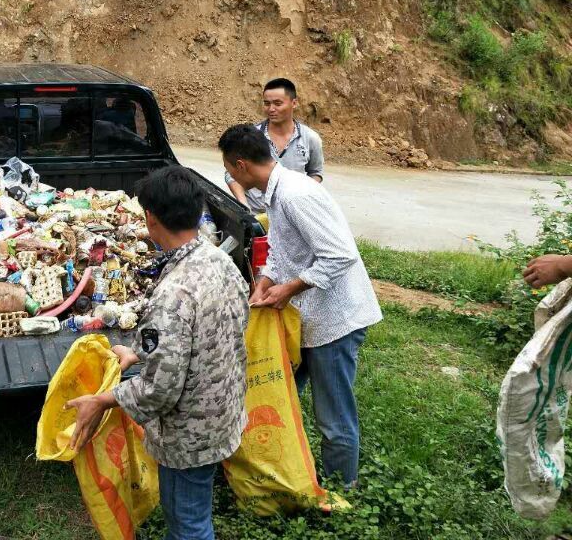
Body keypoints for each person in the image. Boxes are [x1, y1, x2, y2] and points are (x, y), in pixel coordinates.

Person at [65, 166, 249, 540]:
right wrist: (138, 353)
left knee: (188, 525)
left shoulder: (174, 292)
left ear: (150, 219)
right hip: (223, 409)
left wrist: (103, 399)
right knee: (193, 510)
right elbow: (220, 329)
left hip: (189, 433)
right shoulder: (219, 261)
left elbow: (159, 390)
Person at [219, 123, 381, 488]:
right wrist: (264, 281)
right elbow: (282, 249)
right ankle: (282, 464)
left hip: (336, 320)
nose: (229, 174)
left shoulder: (295, 195)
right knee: (281, 389)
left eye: (229, 168)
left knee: (333, 415)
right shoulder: (277, 192)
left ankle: (342, 490)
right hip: (309, 317)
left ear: (241, 165)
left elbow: (340, 256)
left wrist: (289, 289)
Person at [225, 78, 324, 212]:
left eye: (278, 103)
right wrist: (244, 206)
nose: (271, 109)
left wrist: (301, 199)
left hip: (290, 212)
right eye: (267, 103)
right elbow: (232, 173)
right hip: (256, 213)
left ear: (294, 103)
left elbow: (315, 173)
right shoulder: (250, 136)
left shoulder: (310, 139)